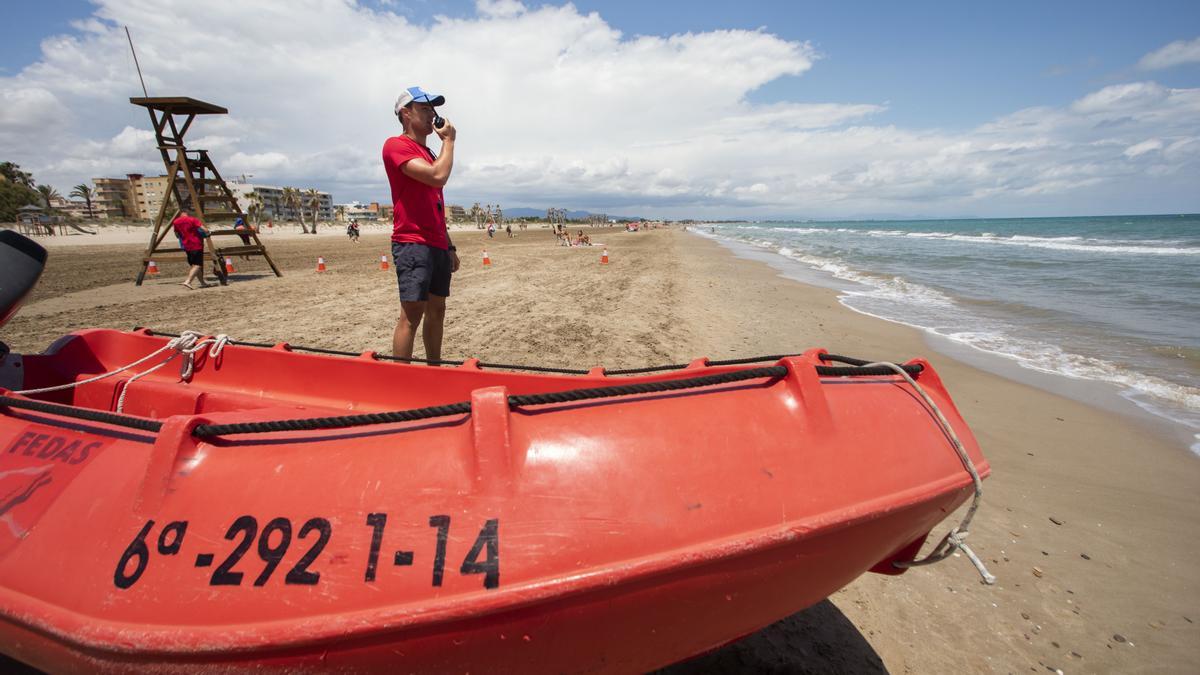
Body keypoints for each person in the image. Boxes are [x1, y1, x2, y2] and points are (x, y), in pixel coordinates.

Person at [382, 86, 460, 362]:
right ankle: (402, 377)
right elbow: (438, 177)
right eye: (425, 109)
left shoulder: (428, 153)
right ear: (406, 113)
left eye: (433, 110)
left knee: (437, 310)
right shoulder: (396, 145)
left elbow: (436, 206)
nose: (432, 115)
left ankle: (433, 369)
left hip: (436, 243)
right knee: (412, 314)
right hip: (412, 242)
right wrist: (448, 142)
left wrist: (449, 246)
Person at [172, 210, 209, 289]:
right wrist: (208, 233)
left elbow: (176, 234)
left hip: (186, 245)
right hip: (196, 244)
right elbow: (204, 229)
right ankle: (188, 281)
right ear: (187, 214)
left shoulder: (176, 221)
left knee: (194, 265)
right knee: (198, 265)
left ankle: (202, 283)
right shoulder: (192, 219)